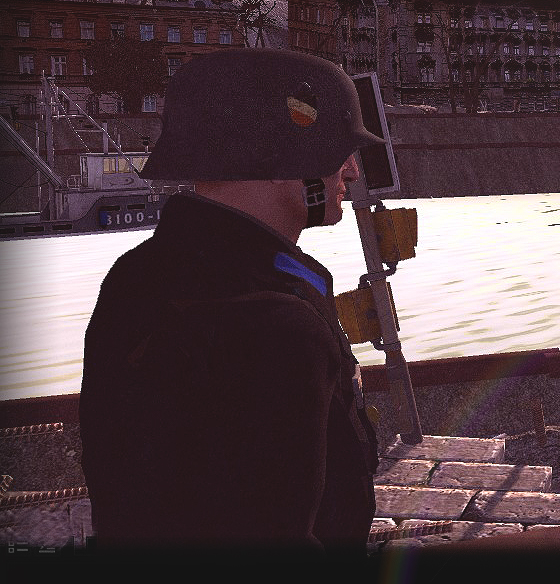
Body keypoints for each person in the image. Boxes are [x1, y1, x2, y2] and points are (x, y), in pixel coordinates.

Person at [81, 49, 386, 549]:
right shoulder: (274, 321)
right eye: (336, 151)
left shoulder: (136, 275)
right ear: (276, 155)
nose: (351, 171)